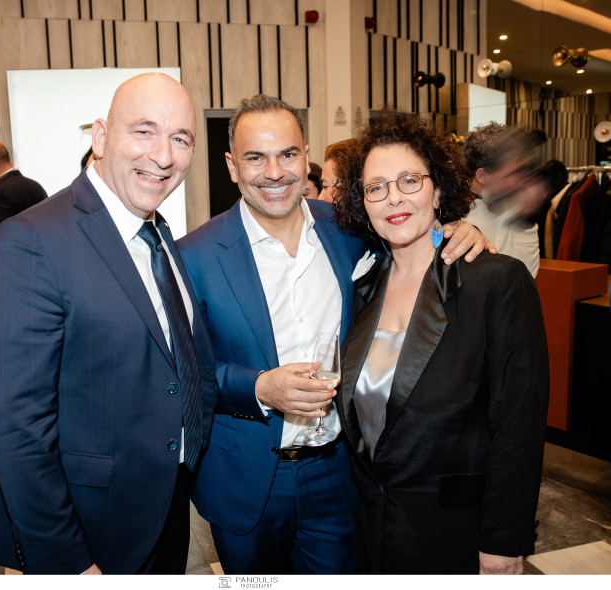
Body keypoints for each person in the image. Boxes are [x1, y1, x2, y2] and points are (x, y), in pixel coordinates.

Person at [177, 95, 489, 575]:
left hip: (339, 472)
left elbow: (409, 231)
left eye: (287, 154)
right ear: (232, 166)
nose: (274, 172)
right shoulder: (193, 257)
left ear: (306, 157)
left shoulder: (347, 231)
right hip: (246, 479)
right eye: (255, 157)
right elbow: (183, 374)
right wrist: (259, 387)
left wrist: (454, 231)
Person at [0, 73, 218, 575]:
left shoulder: (157, 232)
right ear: (102, 137)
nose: (163, 156)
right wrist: (67, 564)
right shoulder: (31, 241)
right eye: (144, 131)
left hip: (167, 508)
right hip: (89, 534)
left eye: (181, 139)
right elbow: (18, 430)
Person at [334, 109, 549, 574]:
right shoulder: (363, 285)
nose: (394, 197)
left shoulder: (495, 281)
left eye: (410, 180)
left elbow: (519, 427)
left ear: (437, 190)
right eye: (376, 187)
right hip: (370, 528)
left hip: (456, 534)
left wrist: (504, 541)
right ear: (363, 203)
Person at [463, 122, 546, 277]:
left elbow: (526, 277)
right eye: (513, 173)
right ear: (482, 175)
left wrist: (526, 221)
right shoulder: (449, 212)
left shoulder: (513, 206)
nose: (522, 180)